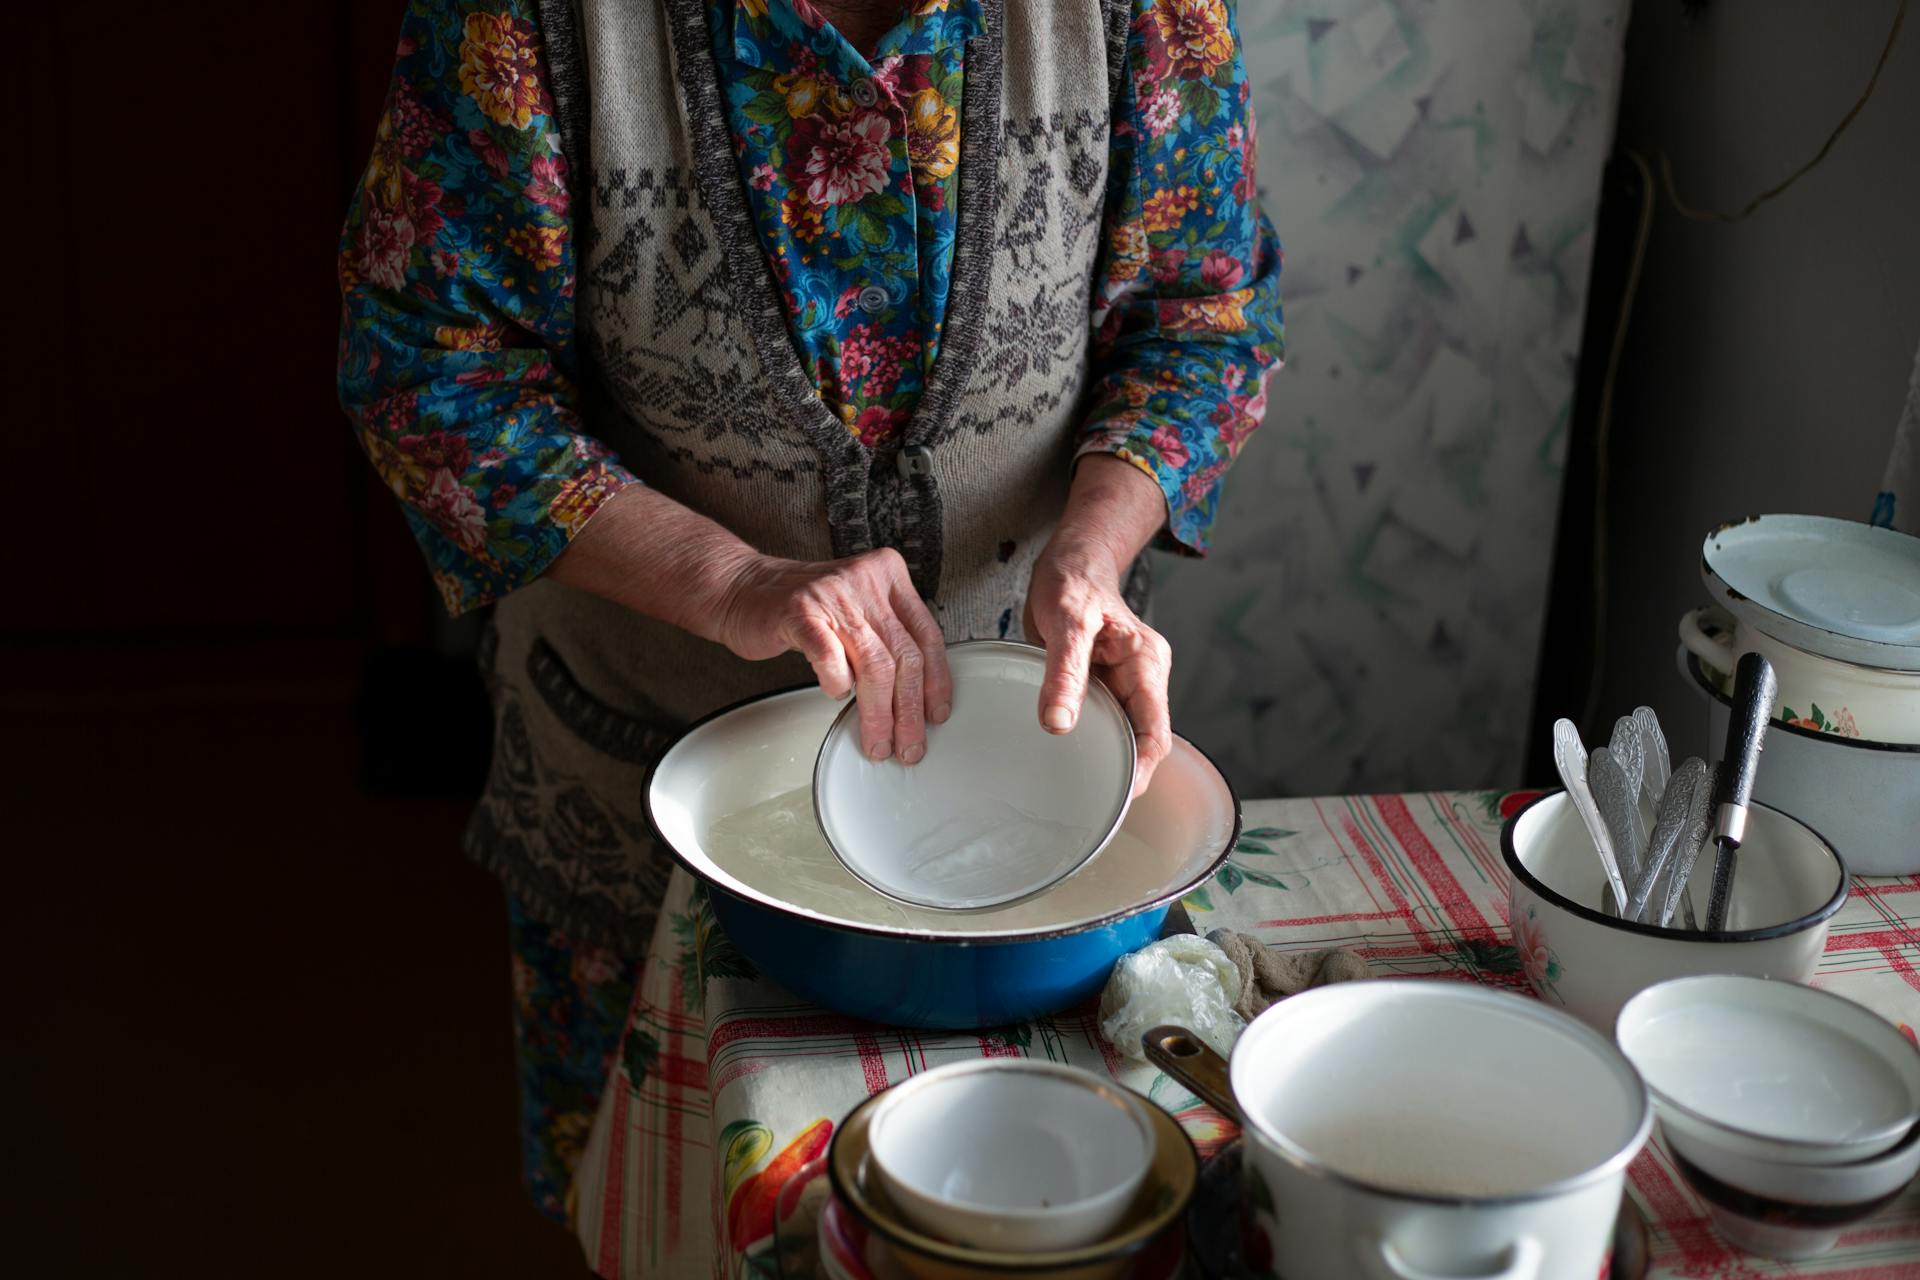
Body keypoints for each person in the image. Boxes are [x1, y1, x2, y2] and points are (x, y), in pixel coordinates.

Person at [338, 0, 1282, 1230]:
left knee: (1034, 1202)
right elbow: (423, 360)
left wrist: (1093, 552)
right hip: (635, 782)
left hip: (1044, 803)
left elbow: (1205, 313)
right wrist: (726, 578)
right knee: (673, 1213)